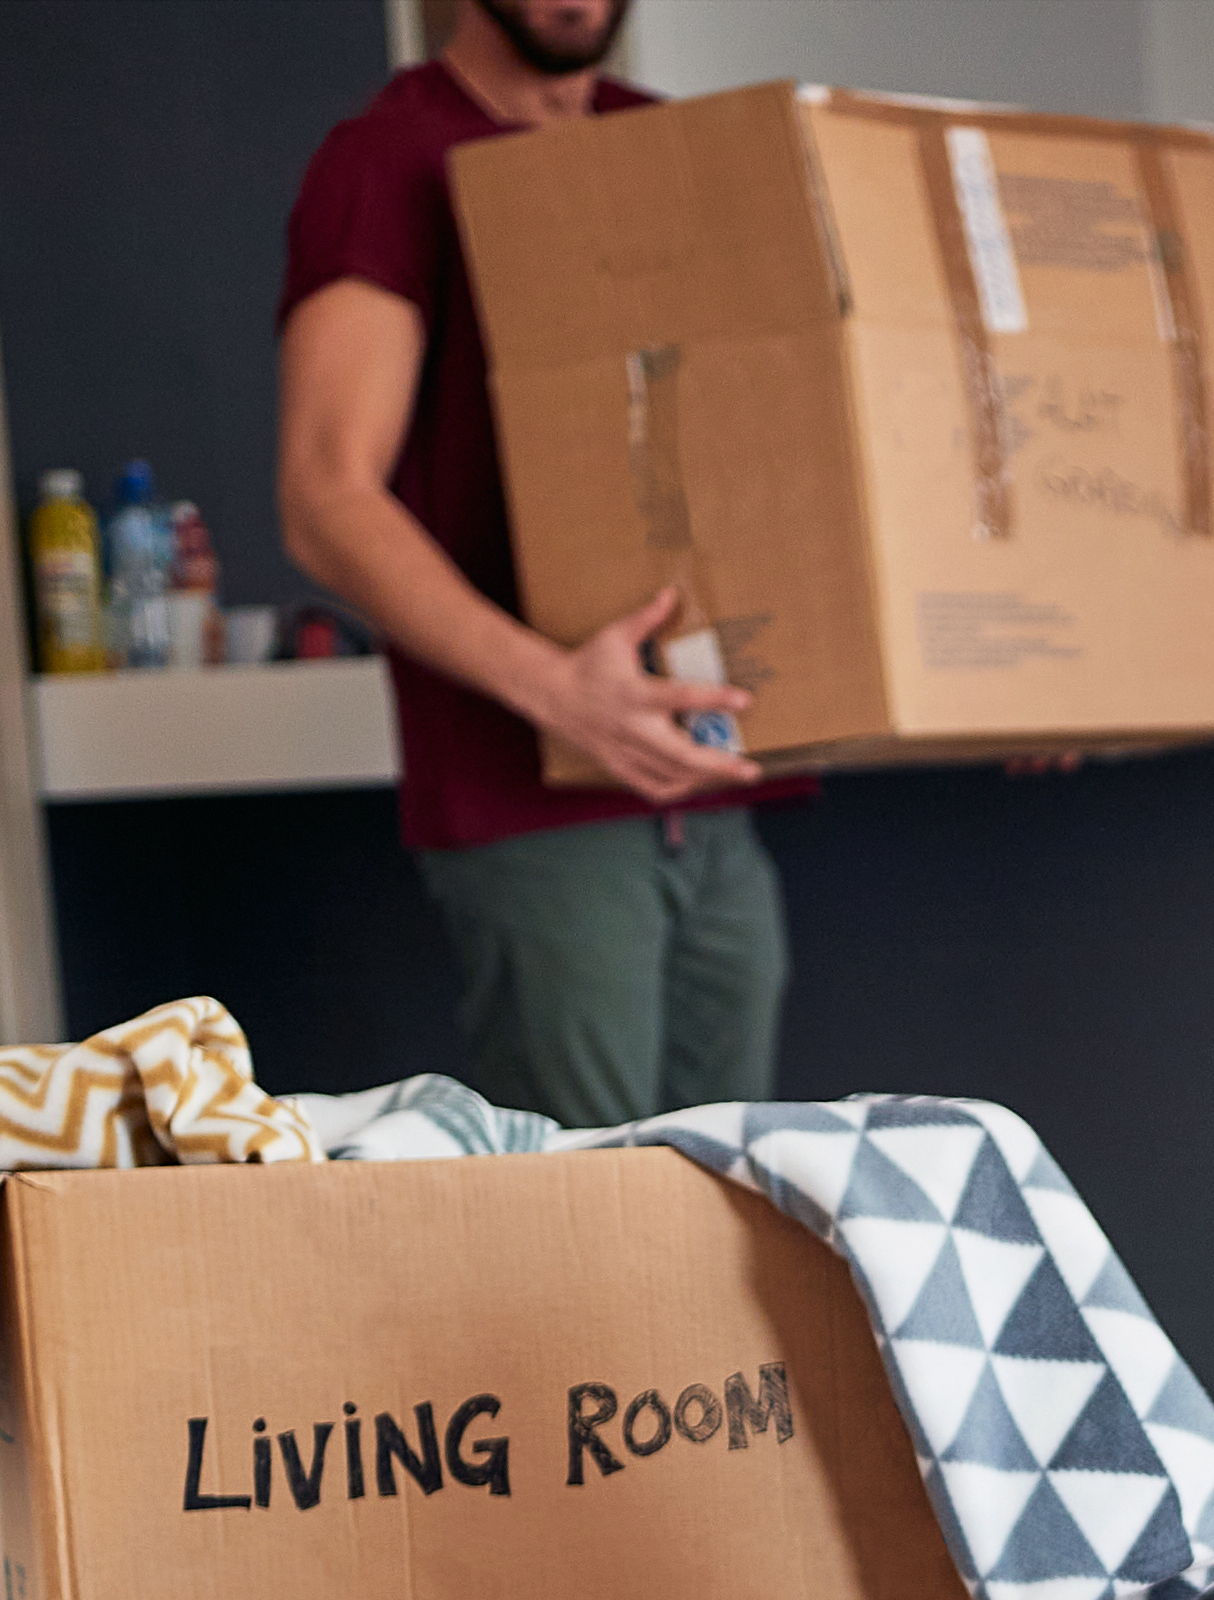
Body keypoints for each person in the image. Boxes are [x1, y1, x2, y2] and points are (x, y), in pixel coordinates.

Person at [278, 0, 788, 1127]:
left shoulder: (667, 148)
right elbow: (324, 498)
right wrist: (561, 693)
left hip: (709, 783)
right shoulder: (391, 161)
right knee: (584, 1217)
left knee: (737, 1204)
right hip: (536, 800)